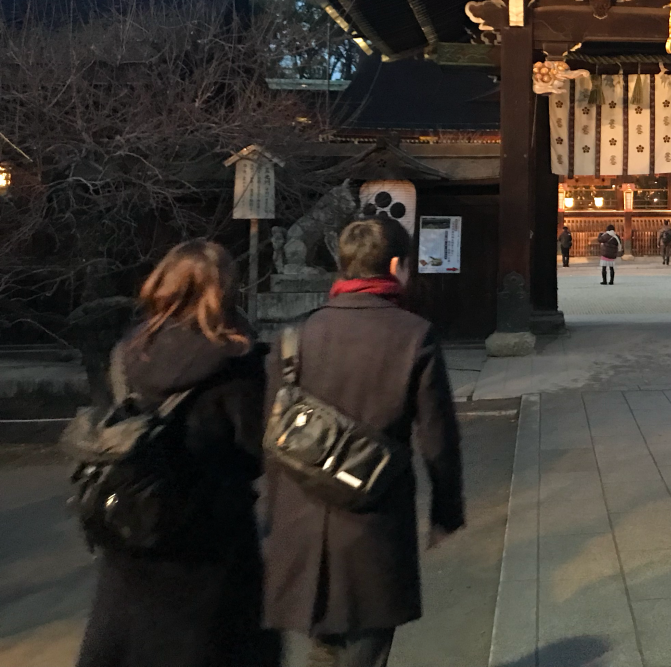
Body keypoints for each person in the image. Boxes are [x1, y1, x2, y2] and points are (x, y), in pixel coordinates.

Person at [261, 216, 464, 667]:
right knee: (367, 644)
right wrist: (445, 511)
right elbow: (437, 435)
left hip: (302, 513)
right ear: (396, 266)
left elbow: (271, 440)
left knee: (323, 644)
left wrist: (273, 518)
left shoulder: (292, 338)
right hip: (373, 511)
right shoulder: (413, 335)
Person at [76, 240, 278, 667]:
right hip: (211, 539)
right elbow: (252, 454)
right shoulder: (237, 360)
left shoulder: (129, 352)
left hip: (135, 525)